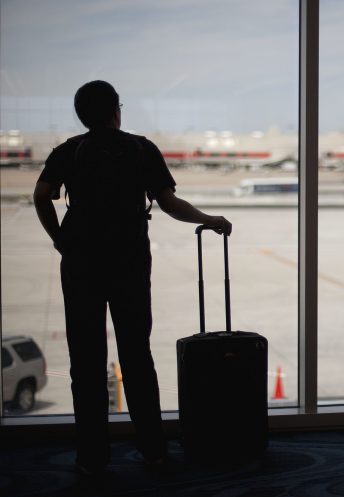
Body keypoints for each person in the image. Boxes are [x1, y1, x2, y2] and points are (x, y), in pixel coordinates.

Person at [33, 80, 231, 475]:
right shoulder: (141, 148)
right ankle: (153, 450)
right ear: (116, 111)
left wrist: (60, 240)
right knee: (137, 357)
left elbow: (42, 195)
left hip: (81, 263)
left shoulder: (68, 150)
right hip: (129, 263)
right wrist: (209, 219)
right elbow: (169, 202)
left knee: (86, 362)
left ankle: (92, 456)